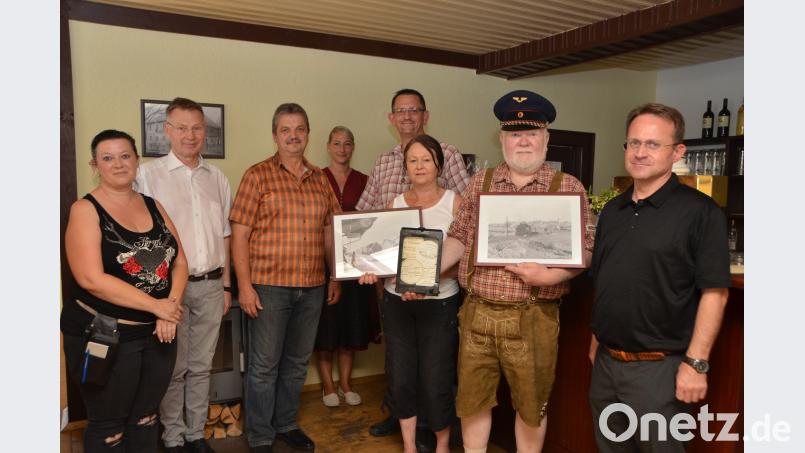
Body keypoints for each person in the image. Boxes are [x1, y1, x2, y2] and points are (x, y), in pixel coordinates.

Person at [440, 90, 594, 453]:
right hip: (476, 313)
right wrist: (419, 270)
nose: (522, 141)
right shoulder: (481, 183)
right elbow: (459, 238)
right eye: (513, 134)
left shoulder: (567, 187)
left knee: (531, 408)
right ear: (502, 139)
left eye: (531, 133)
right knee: (472, 403)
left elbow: (585, 250)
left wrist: (552, 276)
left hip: (534, 317)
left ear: (546, 138)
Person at [587, 103, 731, 452]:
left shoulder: (701, 212)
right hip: (606, 366)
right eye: (633, 143)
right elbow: (607, 277)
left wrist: (696, 364)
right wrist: (596, 338)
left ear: (677, 151)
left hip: (660, 370)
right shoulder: (613, 210)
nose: (640, 152)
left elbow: (715, 292)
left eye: (653, 144)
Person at [61, 129, 187, 452]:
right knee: (109, 428)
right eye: (107, 158)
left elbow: (179, 262)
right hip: (106, 339)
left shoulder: (154, 205)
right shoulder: (85, 210)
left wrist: (170, 309)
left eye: (125, 156)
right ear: (95, 165)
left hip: (159, 335)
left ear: (137, 161)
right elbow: (91, 278)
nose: (118, 164)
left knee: (146, 418)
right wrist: (157, 306)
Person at [358, 88, 470, 443]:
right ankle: (409, 445)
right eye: (413, 161)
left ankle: (439, 446)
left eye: (426, 160)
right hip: (397, 301)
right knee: (401, 376)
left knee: (437, 377)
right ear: (404, 167)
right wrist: (369, 267)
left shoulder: (456, 203)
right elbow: (382, 250)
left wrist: (432, 280)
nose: (420, 166)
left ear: (440, 164)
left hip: (440, 303)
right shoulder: (394, 203)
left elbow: (464, 252)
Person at [230, 103, 342, 453]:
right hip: (268, 287)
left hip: (311, 287)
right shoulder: (257, 175)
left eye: (300, 129)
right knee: (264, 367)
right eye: (285, 130)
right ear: (275, 135)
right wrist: (244, 286)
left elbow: (330, 232)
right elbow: (239, 235)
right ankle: (261, 436)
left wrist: (335, 277)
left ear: (308, 133)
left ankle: (287, 424)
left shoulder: (321, 178)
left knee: (295, 364)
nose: (293, 136)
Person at [135, 97, 233, 453]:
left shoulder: (218, 178)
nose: (190, 135)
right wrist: (156, 297)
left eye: (197, 128)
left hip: (211, 286)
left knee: (201, 368)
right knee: (174, 370)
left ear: (204, 131)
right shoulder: (147, 175)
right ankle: (173, 439)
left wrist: (227, 286)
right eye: (182, 128)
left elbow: (225, 234)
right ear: (167, 131)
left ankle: (195, 436)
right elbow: (140, 236)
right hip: (169, 293)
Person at [314, 126, 376, 408]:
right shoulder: (316, 178)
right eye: (336, 143)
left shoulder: (365, 180)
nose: (342, 149)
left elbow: (373, 220)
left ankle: (346, 383)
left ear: (353, 147)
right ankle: (327, 385)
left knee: (351, 325)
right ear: (328, 146)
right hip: (321, 262)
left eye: (347, 144)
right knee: (325, 328)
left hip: (355, 265)